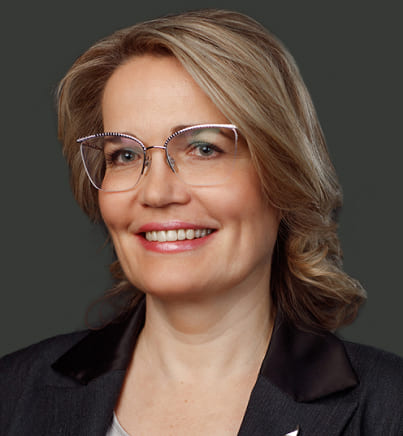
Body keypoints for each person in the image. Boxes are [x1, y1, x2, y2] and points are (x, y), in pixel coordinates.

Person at [1, 9, 402, 436]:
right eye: (125, 155)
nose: (156, 193)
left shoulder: (388, 410)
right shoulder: (12, 394)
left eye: (204, 149)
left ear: (284, 174)